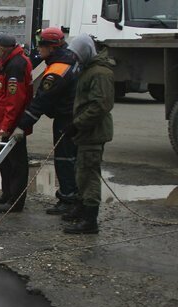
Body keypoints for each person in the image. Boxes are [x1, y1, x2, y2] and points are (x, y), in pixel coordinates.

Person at [15, 27, 79, 215]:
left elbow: (41, 101)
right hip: (73, 117)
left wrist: (22, 125)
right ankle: (72, 196)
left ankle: (68, 200)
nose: (38, 50)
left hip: (66, 120)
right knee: (72, 159)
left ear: (51, 47)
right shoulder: (69, 59)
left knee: (64, 159)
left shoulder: (57, 70)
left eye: (41, 46)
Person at [62, 34, 115, 234]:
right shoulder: (88, 69)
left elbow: (100, 105)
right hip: (85, 131)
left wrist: (77, 124)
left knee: (89, 174)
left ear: (85, 52)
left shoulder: (99, 73)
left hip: (93, 132)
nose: (74, 58)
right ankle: (82, 208)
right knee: (81, 171)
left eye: (76, 54)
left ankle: (90, 220)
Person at [0, 34, 33, 213]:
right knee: (5, 161)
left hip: (14, 124)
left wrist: (7, 126)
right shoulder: (9, 62)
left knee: (17, 164)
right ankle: (7, 194)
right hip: (8, 123)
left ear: (4, 48)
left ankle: (15, 201)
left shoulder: (15, 65)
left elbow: (15, 100)